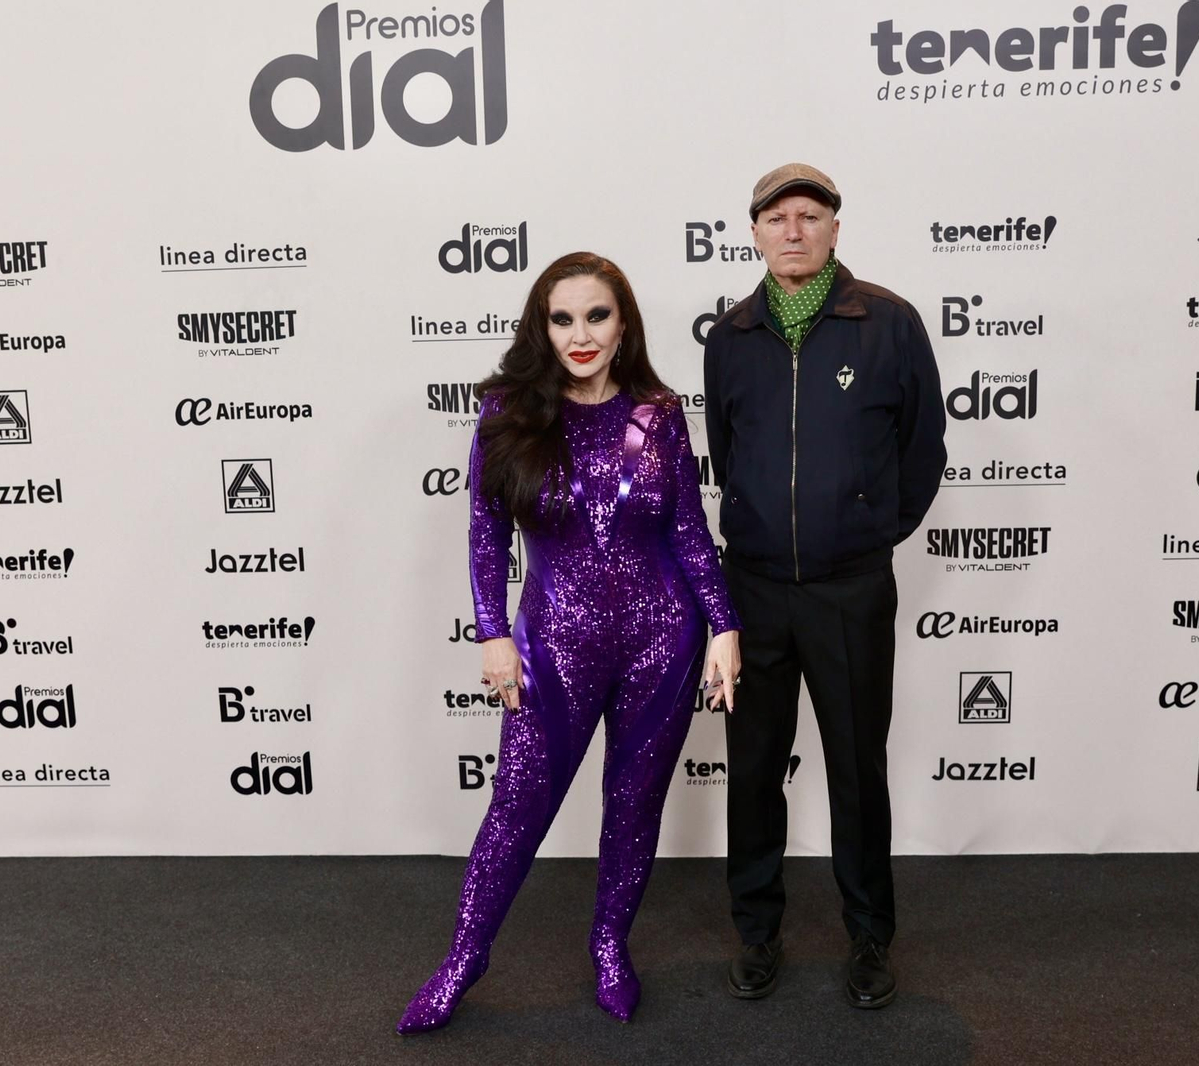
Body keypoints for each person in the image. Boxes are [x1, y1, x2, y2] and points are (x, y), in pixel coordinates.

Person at [397, 252, 741, 1033]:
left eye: (597, 315)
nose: (580, 334)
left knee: (632, 804)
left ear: (624, 325)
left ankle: (610, 945)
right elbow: (487, 539)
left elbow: (690, 534)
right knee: (517, 804)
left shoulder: (659, 410)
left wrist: (723, 624)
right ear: (540, 326)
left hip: (664, 636)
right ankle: (463, 957)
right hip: (554, 641)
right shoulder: (507, 411)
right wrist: (492, 633)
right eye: (562, 318)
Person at [704, 163, 946, 1009]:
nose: (794, 230)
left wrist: (868, 530)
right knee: (753, 768)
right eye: (778, 217)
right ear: (757, 233)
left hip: (850, 590)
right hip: (756, 590)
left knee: (855, 767)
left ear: (836, 229)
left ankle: (870, 937)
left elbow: (924, 452)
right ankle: (757, 931)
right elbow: (727, 457)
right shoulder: (730, 337)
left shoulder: (889, 323)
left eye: (811, 215)